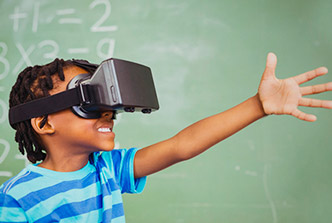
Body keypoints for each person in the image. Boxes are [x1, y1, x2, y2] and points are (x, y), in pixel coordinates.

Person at [0, 53, 331, 222]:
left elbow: (182, 146)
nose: (106, 112)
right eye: (89, 100)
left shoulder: (108, 168)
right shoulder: (17, 197)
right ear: (43, 123)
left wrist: (258, 105)